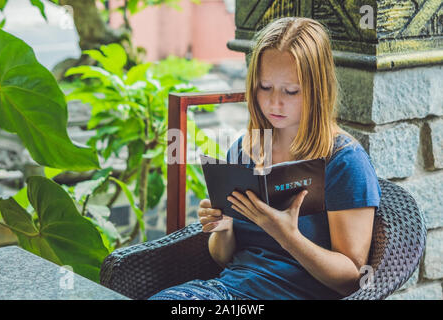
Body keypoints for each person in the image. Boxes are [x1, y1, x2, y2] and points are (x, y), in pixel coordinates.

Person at [148, 16, 381, 300]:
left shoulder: (343, 162)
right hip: (223, 291)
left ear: (317, 90)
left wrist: (288, 236)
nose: (274, 103)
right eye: (265, 87)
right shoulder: (246, 149)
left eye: (291, 91)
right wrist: (223, 228)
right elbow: (223, 258)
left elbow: (352, 280)